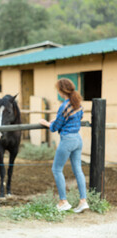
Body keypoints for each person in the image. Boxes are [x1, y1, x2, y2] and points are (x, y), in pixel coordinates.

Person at [39, 78, 89, 213]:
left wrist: (45, 123)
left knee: (56, 169)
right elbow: (78, 118)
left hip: (67, 140)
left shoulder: (64, 106)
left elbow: (55, 127)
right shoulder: (78, 104)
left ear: (62, 91)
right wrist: (58, 120)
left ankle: (63, 201)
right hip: (78, 139)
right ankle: (83, 201)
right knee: (78, 170)